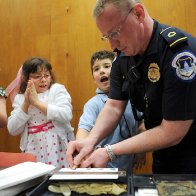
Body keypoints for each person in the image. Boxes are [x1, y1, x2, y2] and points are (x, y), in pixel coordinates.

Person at [66, 0, 196, 174]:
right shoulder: (123, 57)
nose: (112, 45)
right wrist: (90, 141)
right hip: (162, 156)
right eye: (106, 36)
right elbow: (113, 106)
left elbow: (173, 131)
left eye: (115, 33)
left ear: (138, 14)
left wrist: (110, 151)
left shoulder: (179, 54)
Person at [76, 50, 145, 172]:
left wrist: (141, 151)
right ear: (93, 79)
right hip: (102, 167)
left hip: (127, 165)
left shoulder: (132, 98)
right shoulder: (93, 104)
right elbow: (83, 129)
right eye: (96, 69)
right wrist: (84, 150)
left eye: (107, 66)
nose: (101, 71)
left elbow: (142, 124)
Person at [7, 57, 74, 169]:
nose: (43, 80)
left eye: (47, 75)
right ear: (26, 79)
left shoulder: (56, 90)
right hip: (33, 147)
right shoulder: (20, 98)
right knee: (36, 179)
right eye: (37, 77)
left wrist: (37, 103)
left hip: (58, 145)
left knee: (57, 177)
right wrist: (26, 103)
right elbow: (12, 129)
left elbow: (66, 115)